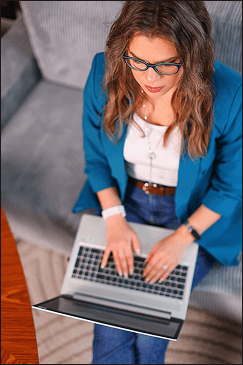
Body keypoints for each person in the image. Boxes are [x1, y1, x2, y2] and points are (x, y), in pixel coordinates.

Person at [72, 1, 242, 363]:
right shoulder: (104, 71)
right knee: (110, 317)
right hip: (127, 198)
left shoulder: (230, 94)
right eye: (137, 61)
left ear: (193, 57)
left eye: (166, 65)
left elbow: (231, 188)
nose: (149, 78)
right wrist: (114, 218)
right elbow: (96, 157)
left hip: (193, 214)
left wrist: (181, 240)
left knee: (149, 327)